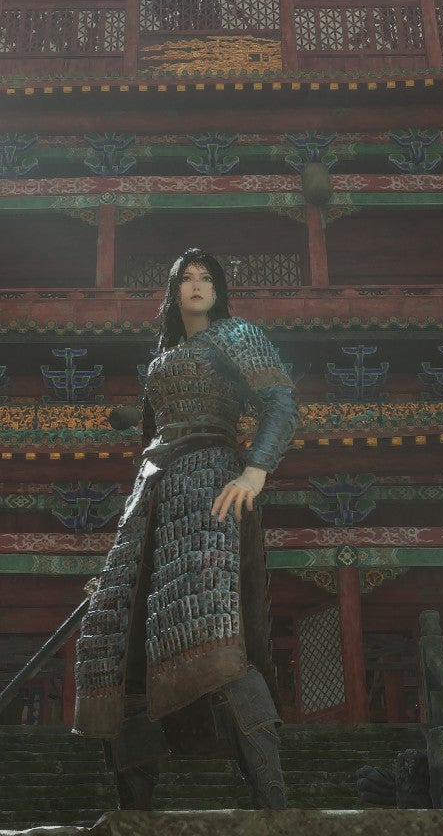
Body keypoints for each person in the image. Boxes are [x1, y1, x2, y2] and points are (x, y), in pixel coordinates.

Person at [72, 248, 299, 809]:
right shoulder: (162, 356)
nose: (197, 287)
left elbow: (280, 403)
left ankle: (272, 804)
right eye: (187, 279)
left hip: (210, 482)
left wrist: (255, 469)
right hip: (151, 492)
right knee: (111, 639)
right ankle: (136, 810)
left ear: (219, 291)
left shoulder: (236, 335)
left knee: (210, 626)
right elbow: (153, 432)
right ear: (174, 292)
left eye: (206, 279)